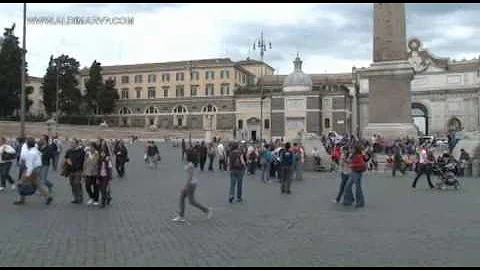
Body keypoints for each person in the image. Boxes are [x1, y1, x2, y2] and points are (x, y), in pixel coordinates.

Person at [172, 151, 213, 222]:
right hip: (191, 183)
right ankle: (181, 215)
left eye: (185, 155)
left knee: (191, 201)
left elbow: (190, 177)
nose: (184, 156)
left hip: (191, 184)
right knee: (182, 198)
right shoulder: (189, 164)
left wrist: (185, 186)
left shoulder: (190, 165)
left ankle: (207, 210)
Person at [13, 138, 53, 205]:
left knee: (21, 183)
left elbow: (30, 166)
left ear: (27, 145)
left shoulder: (30, 153)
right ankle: (47, 196)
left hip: (31, 169)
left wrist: (27, 174)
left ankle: (21, 199)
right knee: (38, 184)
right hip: (37, 169)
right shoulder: (36, 151)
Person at [64, 139, 86, 204]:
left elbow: (84, 161)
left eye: (73, 143)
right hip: (70, 170)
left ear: (77, 144)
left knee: (77, 183)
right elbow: (66, 157)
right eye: (71, 143)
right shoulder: (69, 151)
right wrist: (67, 160)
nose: (71, 144)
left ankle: (80, 196)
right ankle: (75, 197)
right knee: (72, 184)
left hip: (78, 170)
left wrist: (84, 171)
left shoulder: (81, 151)